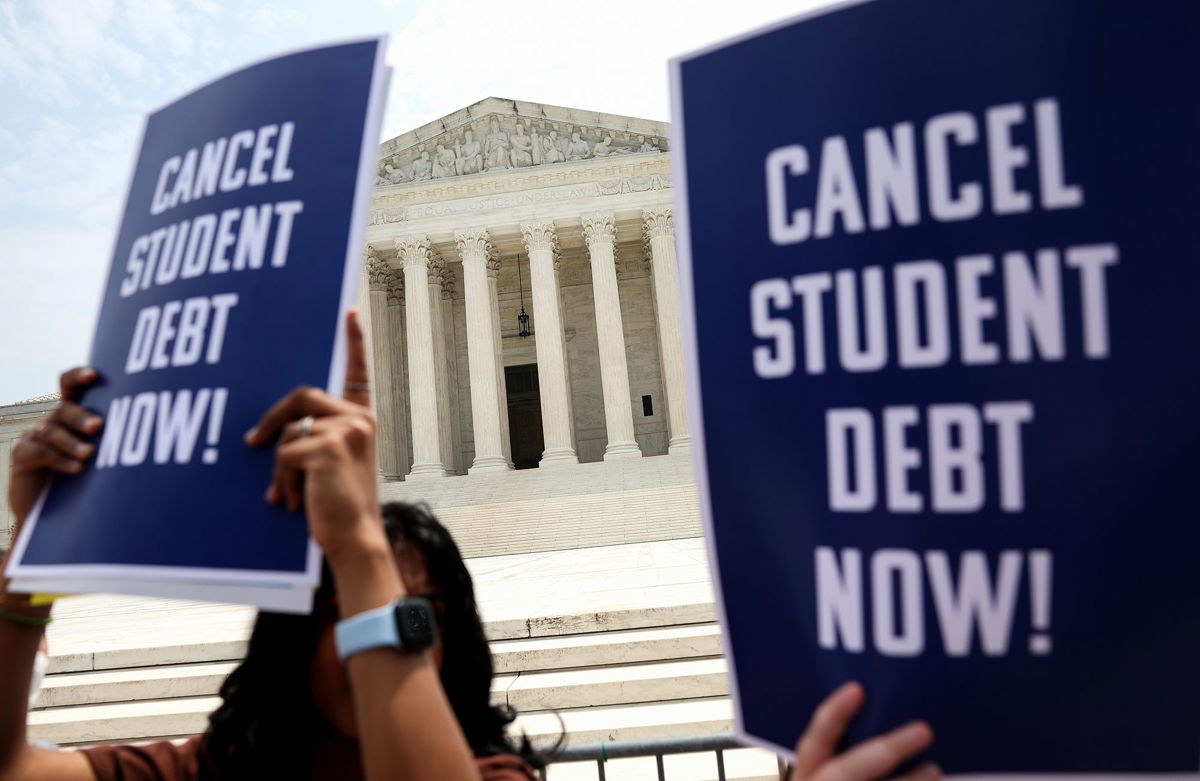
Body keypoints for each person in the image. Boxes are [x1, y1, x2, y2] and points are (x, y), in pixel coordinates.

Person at [0, 311, 538, 780]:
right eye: (340, 609)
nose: (362, 648)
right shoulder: (217, 771)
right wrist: (39, 541)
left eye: (413, 615)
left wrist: (358, 551)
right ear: (293, 635)